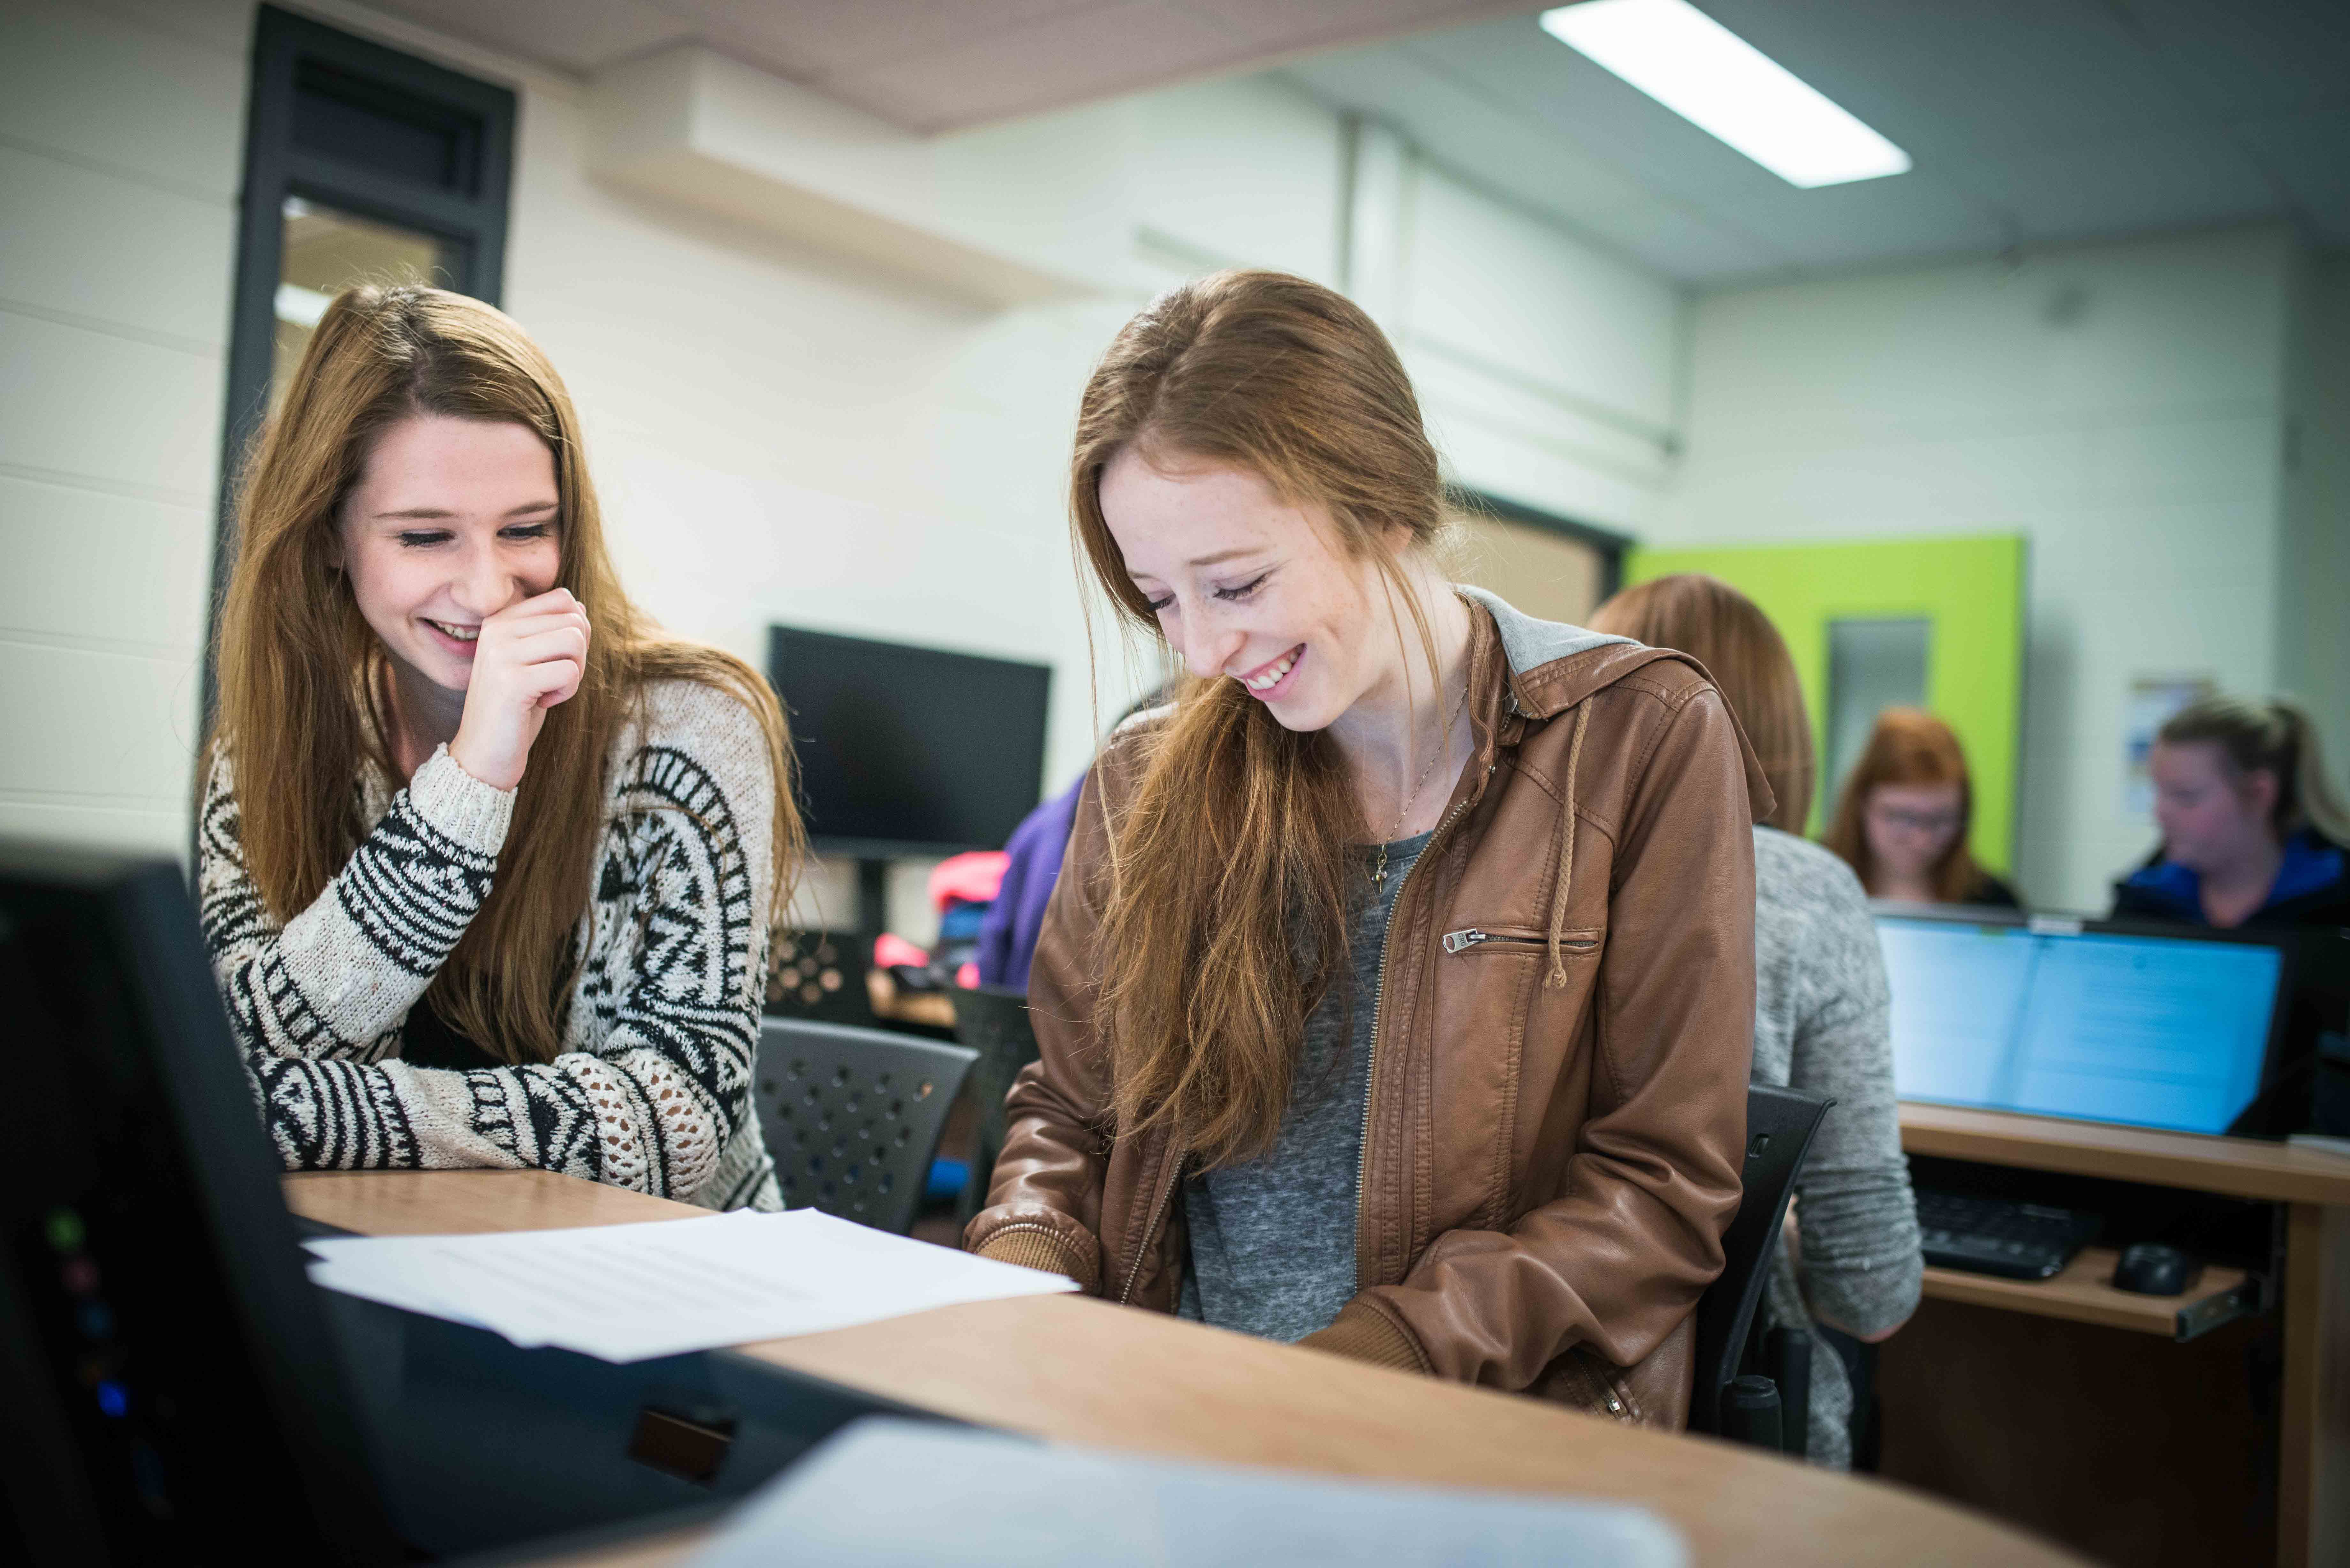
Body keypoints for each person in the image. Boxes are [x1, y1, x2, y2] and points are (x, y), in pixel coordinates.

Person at [964, 270, 1767, 1427]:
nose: (1201, 652)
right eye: (1160, 599)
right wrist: (1023, 1253)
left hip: (1484, 1434)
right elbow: (1073, 1113)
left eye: (1237, 583)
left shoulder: (1639, 735)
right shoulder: (1147, 777)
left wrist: (1374, 1359)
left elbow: (1656, 1191)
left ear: (1387, 505)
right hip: (1179, 1418)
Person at [200, 284, 800, 1208]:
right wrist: (468, 784)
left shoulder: (689, 725)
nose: (488, 592)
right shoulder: (268, 752)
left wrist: (336, 1117)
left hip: (653, 1280)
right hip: (381, 1260)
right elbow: (240, 1062)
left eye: (527, 529)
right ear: (330, 534)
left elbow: (678, 1122)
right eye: (426, 536)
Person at [1587, 574, 1921, 1469]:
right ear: (1782, 734)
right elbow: (1870, 1286)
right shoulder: (1807, 888)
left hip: (1530, 1367)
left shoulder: (1535, 865)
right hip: (1722, 1418)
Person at [2113, 696, 2350, 929]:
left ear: (2259, 793)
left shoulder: (2336, 904)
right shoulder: (2141, 904)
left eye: (2186, 796)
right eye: (2161, 792)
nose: (2160, 813)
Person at [1825, 708, 2019, 908]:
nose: (1922, 840)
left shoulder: (1994, 901)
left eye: (1941, 819)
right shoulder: (1812, 879)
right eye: (1903, 817)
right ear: (1862, 803)